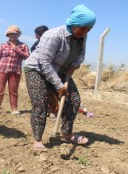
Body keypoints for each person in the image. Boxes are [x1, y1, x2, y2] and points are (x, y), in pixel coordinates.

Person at [23, 4, 96, 150]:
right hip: (37, 69)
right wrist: (58, 85)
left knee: (74, 100)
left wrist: (75, 65)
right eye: (83, 28)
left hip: (61, 69)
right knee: (41, 102)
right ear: (73, 24)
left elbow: (81, 55)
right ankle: (38, 140)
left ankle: (66, 134)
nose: (86, 31)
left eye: (89, 29)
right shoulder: (54, 35)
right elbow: (44, 62)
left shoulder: (82, 36)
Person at [0, 25, 30, 116]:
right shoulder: (3, 45)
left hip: (15, 70)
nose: (12, 35)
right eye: (10, 34)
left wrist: (16, 49)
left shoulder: (23, 45)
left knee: (14, 91)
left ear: (18, 35)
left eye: (15, 34)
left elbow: (27, 57)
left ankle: (14, 109)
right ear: (8, 35)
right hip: (1, 69)